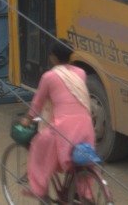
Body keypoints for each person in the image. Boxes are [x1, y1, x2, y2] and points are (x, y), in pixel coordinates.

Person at [20, 41, 97, 200]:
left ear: (53, 58)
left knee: (38, 147)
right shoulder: (81, 73)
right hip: (86, 127)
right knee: (81, 160)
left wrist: (27, 119)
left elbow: (38, 103)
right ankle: (82, 193)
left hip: (63, 129)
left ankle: (39, 190)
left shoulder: (49, 77)